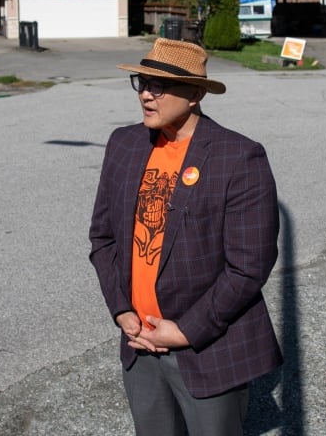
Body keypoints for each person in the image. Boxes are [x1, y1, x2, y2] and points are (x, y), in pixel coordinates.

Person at [88, 38, 283, 436]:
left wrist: (185, 330)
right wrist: (121, 309)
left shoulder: (239, 157)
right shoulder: (124, 143)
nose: (145, 93)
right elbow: (103, 237)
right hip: (138, 343)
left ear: (195, 93)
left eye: (159, 85)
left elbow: (248, 267)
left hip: (206, 347)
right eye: (142, 82)